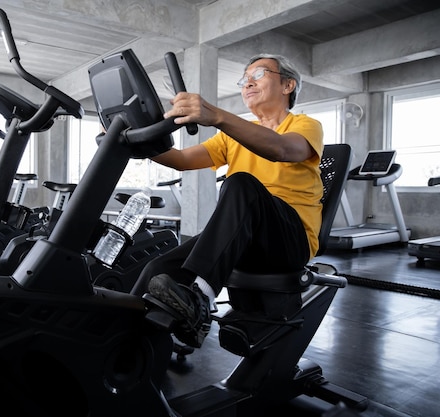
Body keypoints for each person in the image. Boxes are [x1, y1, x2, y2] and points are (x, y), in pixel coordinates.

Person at [131, 53, 324, 348]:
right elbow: (182, 160)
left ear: (288, 85)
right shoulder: (233, 137)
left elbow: (283, 150)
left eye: (257, 75)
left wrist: (217, 116)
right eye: (243, 80)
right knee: (159, 268)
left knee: (241, 183)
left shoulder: (304, 125)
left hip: (289, 240)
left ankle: (200, 300)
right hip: (245, 238)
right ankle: (124, 342)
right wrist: (134, 140)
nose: (247, 83)